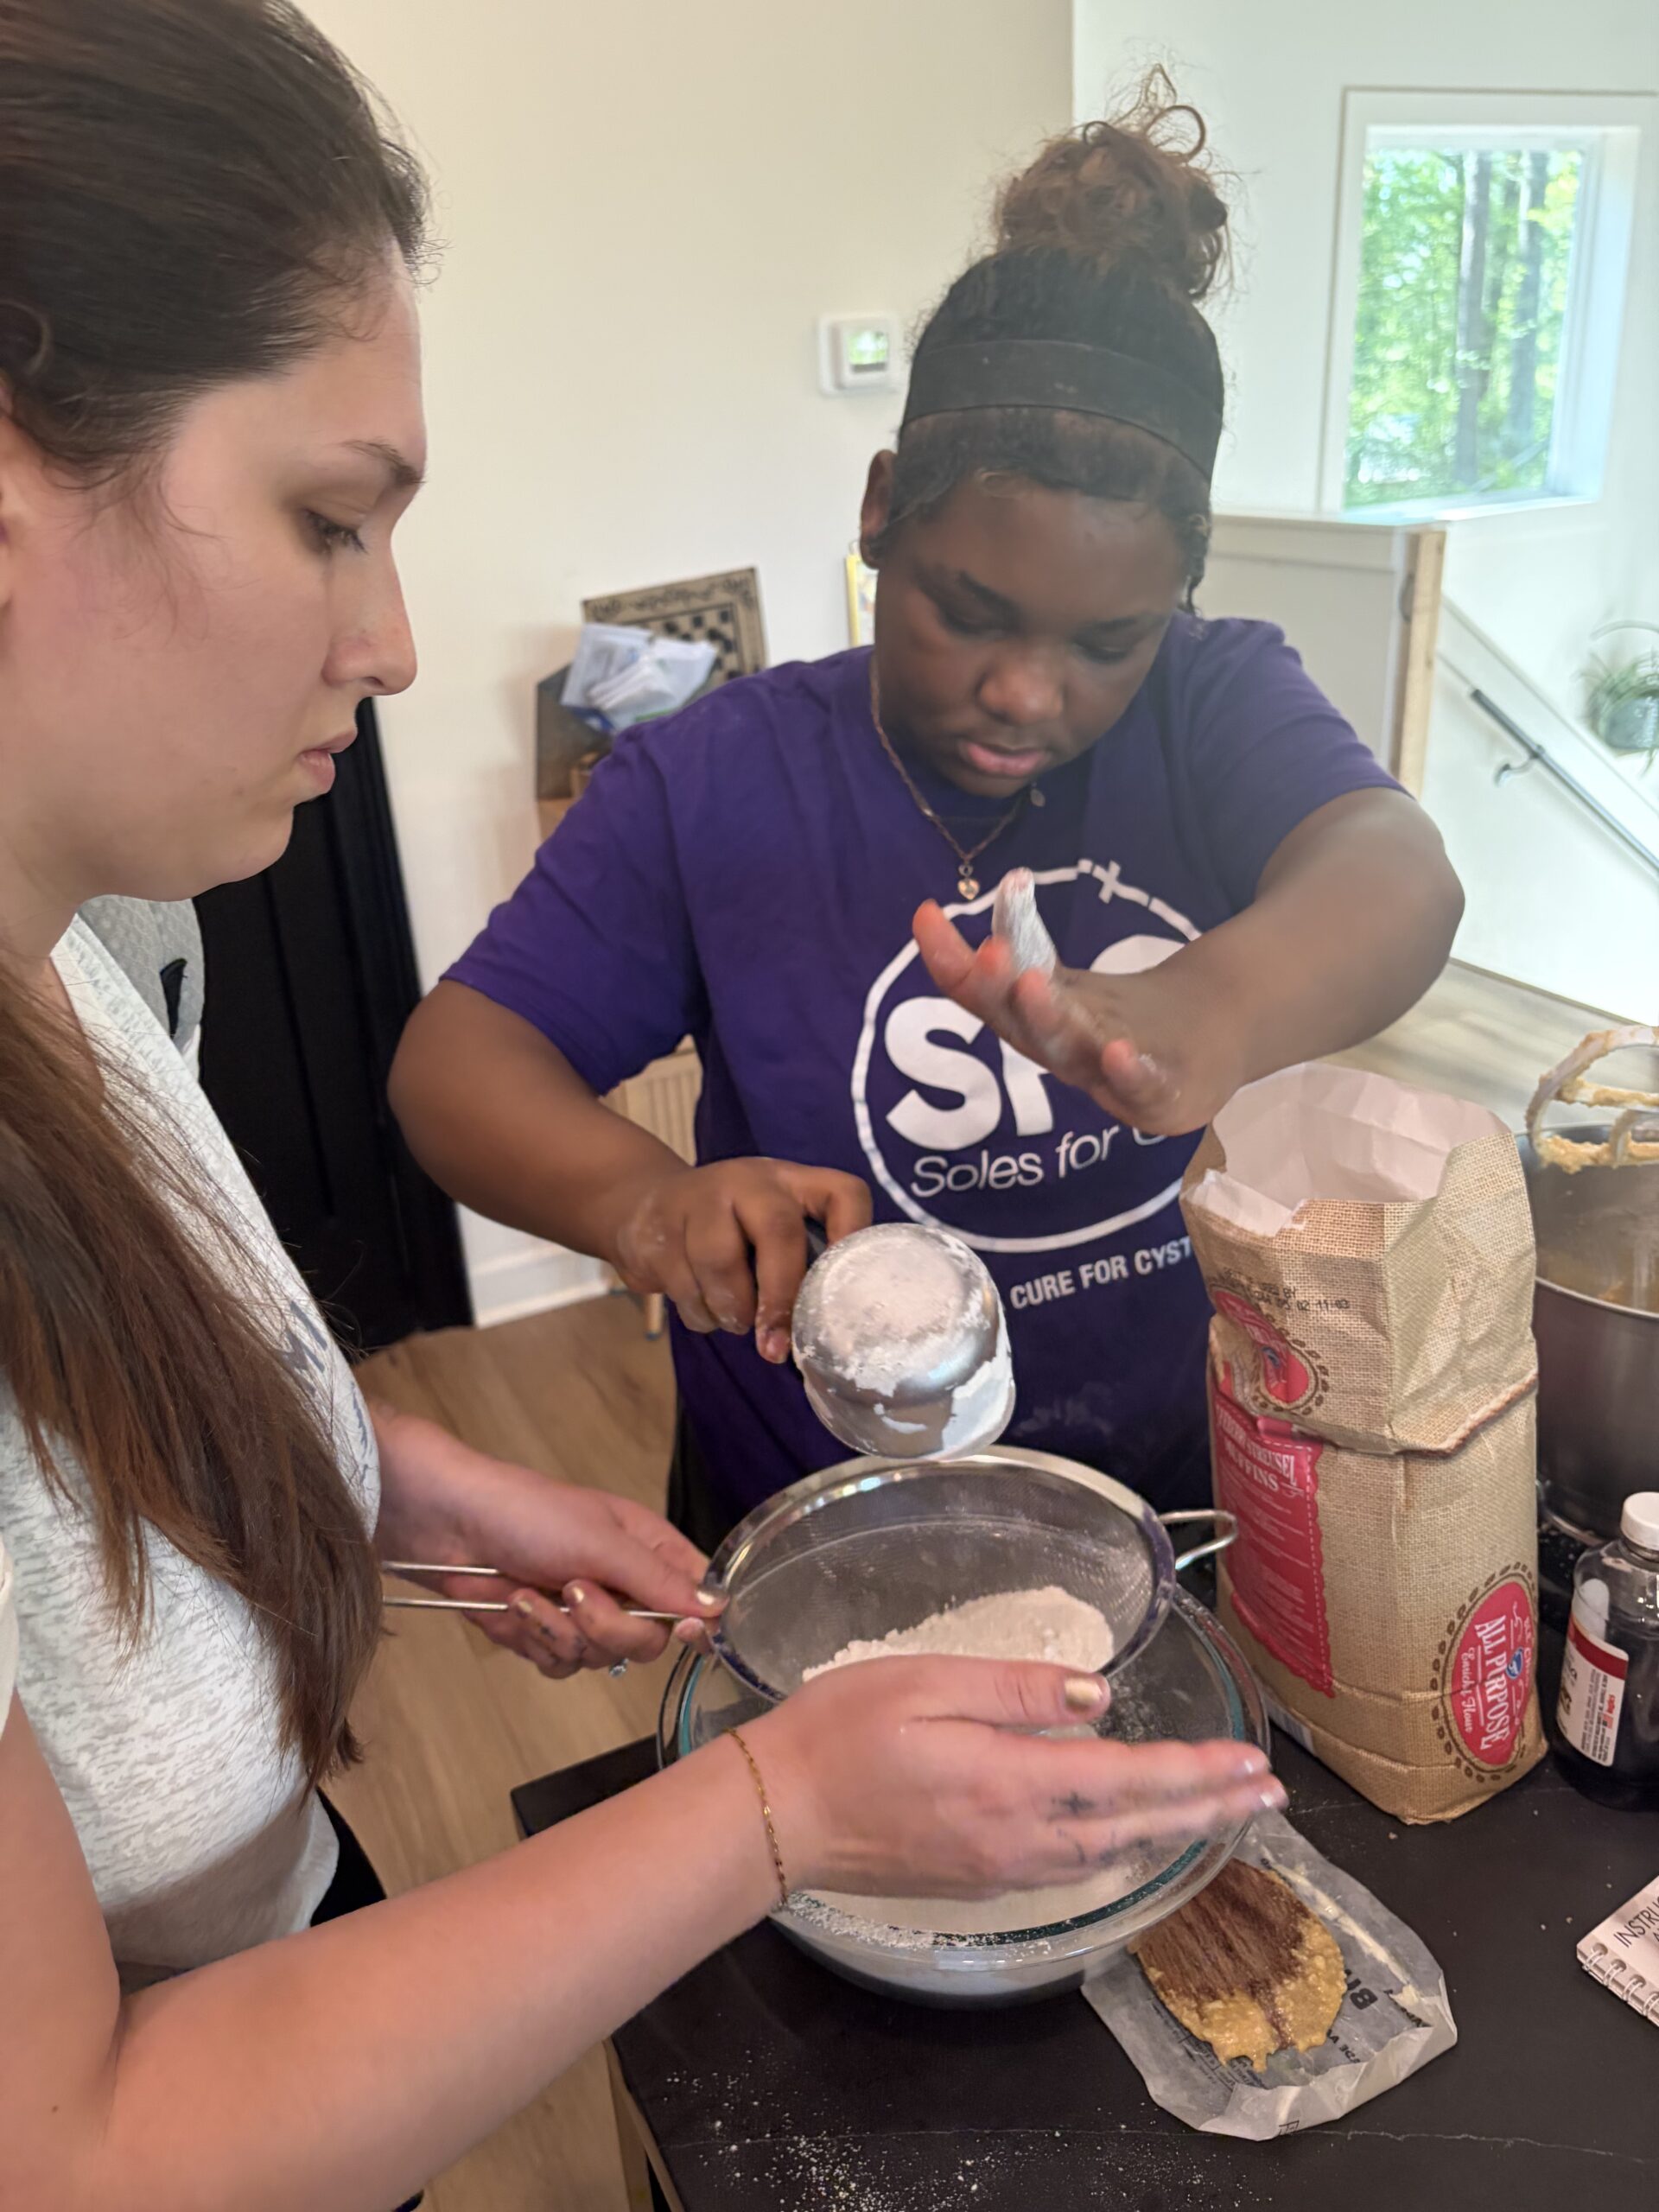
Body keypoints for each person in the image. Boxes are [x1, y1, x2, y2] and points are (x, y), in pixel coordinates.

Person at [0, 7, 1281, 2205]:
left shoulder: (78, 972)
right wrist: (776, 1807)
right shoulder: (720, 782)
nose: (397, 643)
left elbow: (86, 1431)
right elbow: (70, 2144)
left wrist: (381, 1483)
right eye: (330, 518)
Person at [392, 83, 1465, 1552]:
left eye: (1109, 642)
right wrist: (649, 1204)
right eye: (970, 610)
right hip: (831, 1520)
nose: (1025, 693)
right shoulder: (711, 784)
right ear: (881, 508)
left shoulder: (1211, 701)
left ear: (1179, 601)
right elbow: (456, 1066)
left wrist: (1204, 1008)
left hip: (1175, 1491)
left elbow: (1400, 875)